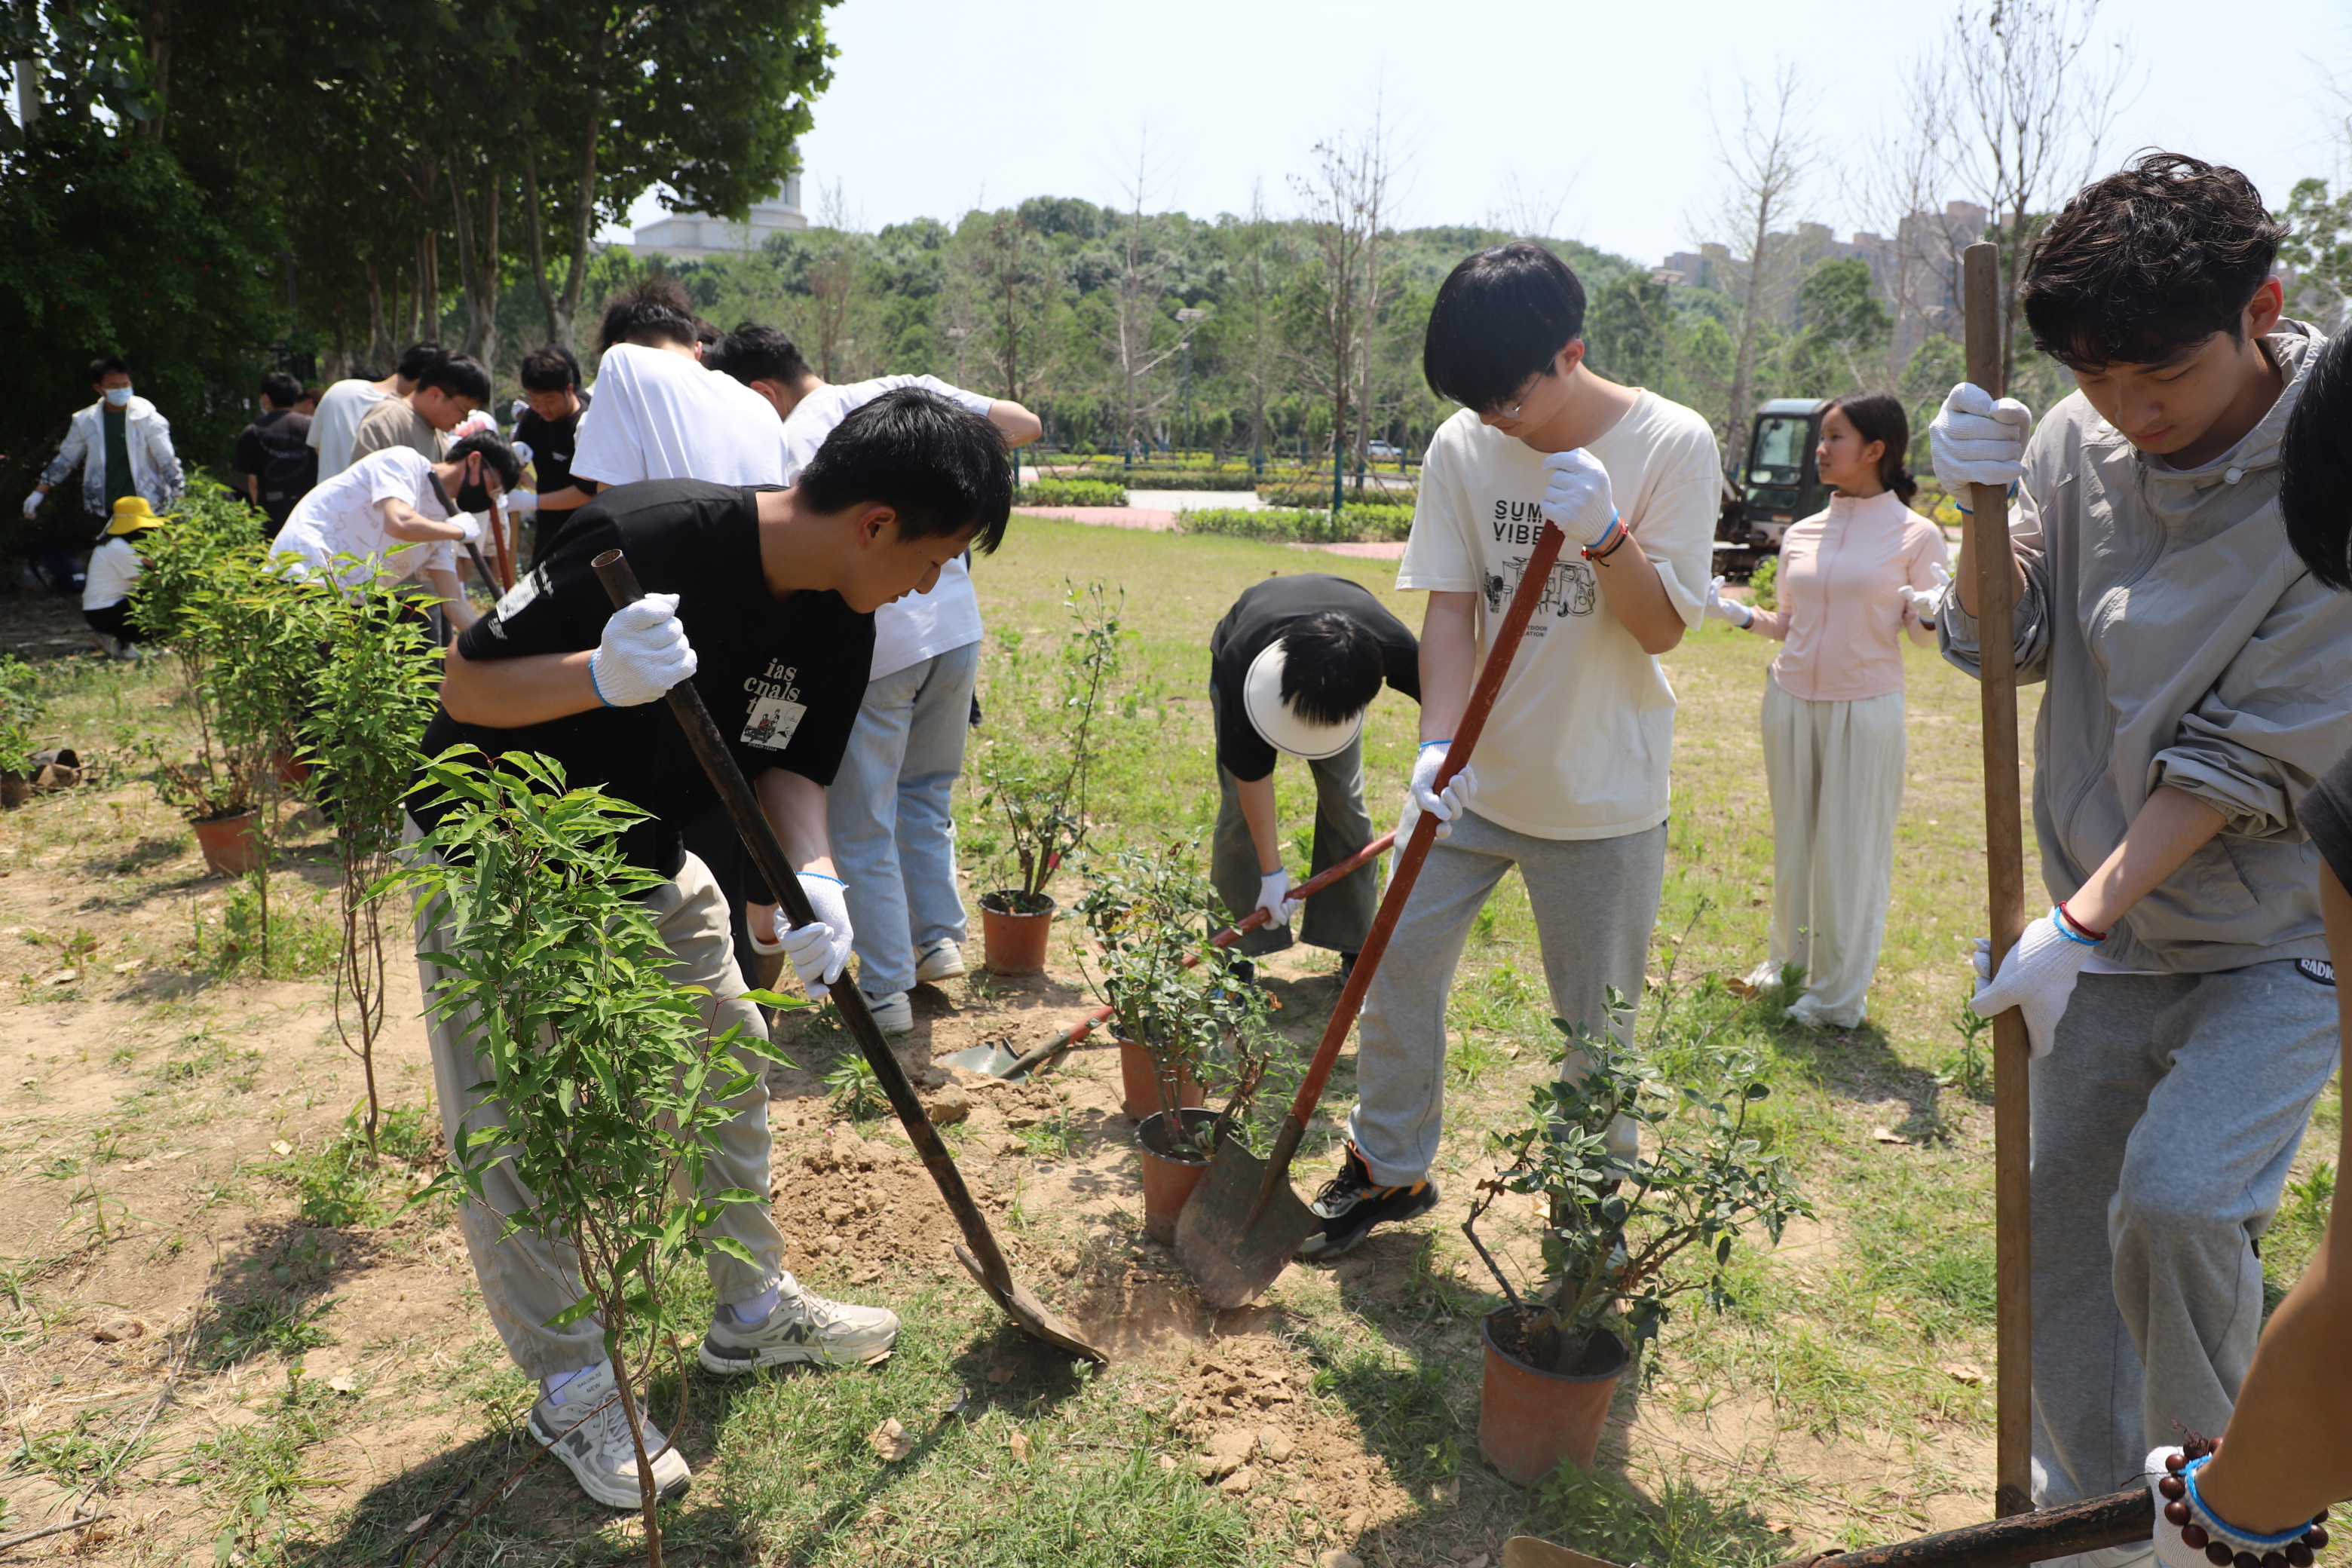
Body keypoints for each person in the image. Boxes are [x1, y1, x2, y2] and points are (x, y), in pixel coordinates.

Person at [413, 387, 1009, 1510]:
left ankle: (749, 1312)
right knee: (514, 1120)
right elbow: (467, 684)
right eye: (939, 556)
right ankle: (577, 1386)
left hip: (640, 845)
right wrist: (597, 674)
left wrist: (815, 881)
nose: (934, 583)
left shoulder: (846, 612)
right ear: (877, 522)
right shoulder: (644, 538)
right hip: (499, 850)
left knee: (726, 1061)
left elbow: (792, 764)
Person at [1935, 153, 2352, 1536]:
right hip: (2107, 930)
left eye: (2159, 376)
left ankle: (2231, 1508)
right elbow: (2013, 638)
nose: (2130, 411)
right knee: (2060, 1226)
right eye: (2097, 381)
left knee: (2174, 1208)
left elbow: (2247, 758)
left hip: (2278, 936)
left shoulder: (2336, 467)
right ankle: (2090, 1518)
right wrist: (1979, 518)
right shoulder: (2075, 434)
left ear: (2264, 308)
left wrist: (2078, 923)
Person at [1300, 240, 1722, 1262]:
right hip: (1471, 787)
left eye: (1508, 402)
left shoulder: (1672, 443)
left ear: (1570, 355)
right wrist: (1438, 743)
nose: (1494, 420)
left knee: (1597, 1033)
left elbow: (1662, 629)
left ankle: (1589, 1219)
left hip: (1600, 800)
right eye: (1474, 402)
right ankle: (1390, 1164)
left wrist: (1607, 537)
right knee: (1396, 970)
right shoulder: (1464, 445)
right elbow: (1452, 608)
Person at [711, 323, 1042, 1033]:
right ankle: (937, 945)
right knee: (924, 795)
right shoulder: (903, 398)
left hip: (878, 648)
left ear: (760, 391)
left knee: (861, 822)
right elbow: (1023, 422)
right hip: (956, 635)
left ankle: (886, 994)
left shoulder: (809, 440)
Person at [1702, 393, 1949, 1028]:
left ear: (1875, 450)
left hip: (1863, 708)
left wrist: (1929, 607)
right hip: (1788, 700)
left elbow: (1923, 637)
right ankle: (1786, 964)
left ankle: (1837, 995)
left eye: (1834, 437)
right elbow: (1789, 622)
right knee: (1796, 842)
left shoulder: (1917, 535)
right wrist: (1734, 613)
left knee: (1850, 849)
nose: (1821, 447)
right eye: (1821, 437)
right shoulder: (1804, 531)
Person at [1205, 574, 1419, 975]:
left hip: (1336, 675)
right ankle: (1236, 955)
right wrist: (1272, 873)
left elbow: (1452, 708)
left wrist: (1442, 762)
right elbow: (1251, 781)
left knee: (1345, 801)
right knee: (1238, 815)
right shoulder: (1241, 664)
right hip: (1257, 663)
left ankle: (1353, 941)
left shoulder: (1396, 648)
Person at [272, 434, 516, 632]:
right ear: (474, 460)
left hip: (344, 603)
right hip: (304, 575)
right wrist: (458, 531)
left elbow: (454, 604)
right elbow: (399, 522)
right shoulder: (403, 462)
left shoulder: (441, 524)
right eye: (493, 486)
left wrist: (495, 643)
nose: (490, 499)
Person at [570, 280, 787, 492]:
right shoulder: (760, 405)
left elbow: (613, 495)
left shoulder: (623, 360)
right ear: (698, 349)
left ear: (617, 345)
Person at [24, 357, 182, 528]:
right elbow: (66, 459)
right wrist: (38, 493)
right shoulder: (85, 420)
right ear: (99, 388)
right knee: (110, 553)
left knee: (145, 555)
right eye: (114, 386)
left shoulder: (148, 418)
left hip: (148, 506)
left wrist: (180, 498)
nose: (121, 390)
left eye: (125, 384)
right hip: (106, 508)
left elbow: (167, 460)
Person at [309, 341, 441, 480]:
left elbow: (318, 448)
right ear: (424, 384)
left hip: (330, 499)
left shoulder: (339, 391)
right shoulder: (406, 416)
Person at [511, 345, 592, 568]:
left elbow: (588, 492)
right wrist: (512, 459)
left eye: (549, 401)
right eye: (534, 401)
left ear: (569, 389)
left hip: (586, 534)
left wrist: (533, 501)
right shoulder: (533, 418)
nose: (542, 409)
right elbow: (517, 461)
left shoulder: (586, 425)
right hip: (548, 534)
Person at [350, 352, 492, 465]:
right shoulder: (386, 421)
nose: (465, 419)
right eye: (463, 410)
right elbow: (361, 491)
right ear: (435, 395)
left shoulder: (440, 435)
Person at [229, 371, 318, 537]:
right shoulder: (310, 426)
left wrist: (259, 513)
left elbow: (252, 482)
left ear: (266, 399)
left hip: (271, 512)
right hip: (309, 508)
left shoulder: (253, 432)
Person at [81, 496, 164, 655]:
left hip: (108, 609)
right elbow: (147, 582)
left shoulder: (121, 544)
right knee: (156, 594)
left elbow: (148, 563)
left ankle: (126, 642)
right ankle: (139, 646)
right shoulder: (118, 548)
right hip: (103, 612)